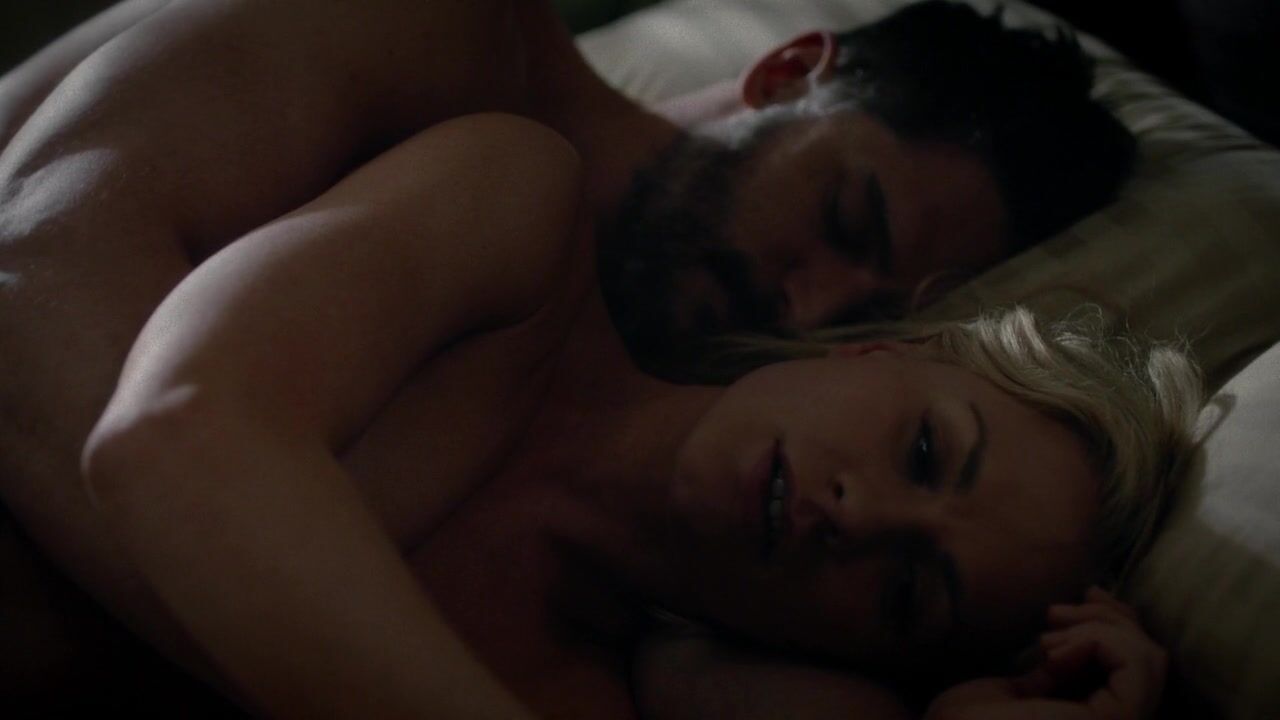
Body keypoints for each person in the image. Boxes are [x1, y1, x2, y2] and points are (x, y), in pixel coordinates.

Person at [0, 0, 1136, 711]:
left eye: (860, 306)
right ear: (789, 71)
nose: (807, 304)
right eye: (845, 219)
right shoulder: (446, 51)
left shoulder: (630, 608)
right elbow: (28, 267)